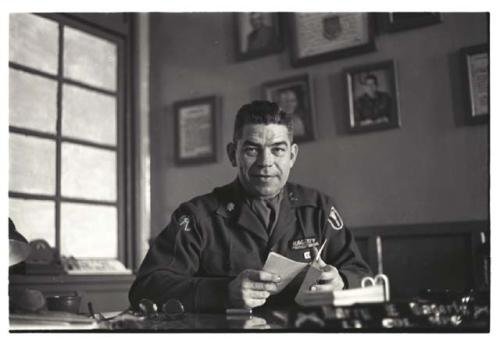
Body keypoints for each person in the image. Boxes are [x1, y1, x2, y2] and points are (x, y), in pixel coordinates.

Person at [129, 100, 372, 313]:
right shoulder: (197, 216)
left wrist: (341, 282)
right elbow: (146, 288)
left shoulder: (318, 208)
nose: (265, 162)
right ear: (233, 154)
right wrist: (224, 292)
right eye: (252, 149)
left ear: (292, 156)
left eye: (277, 150)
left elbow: (361, 274)